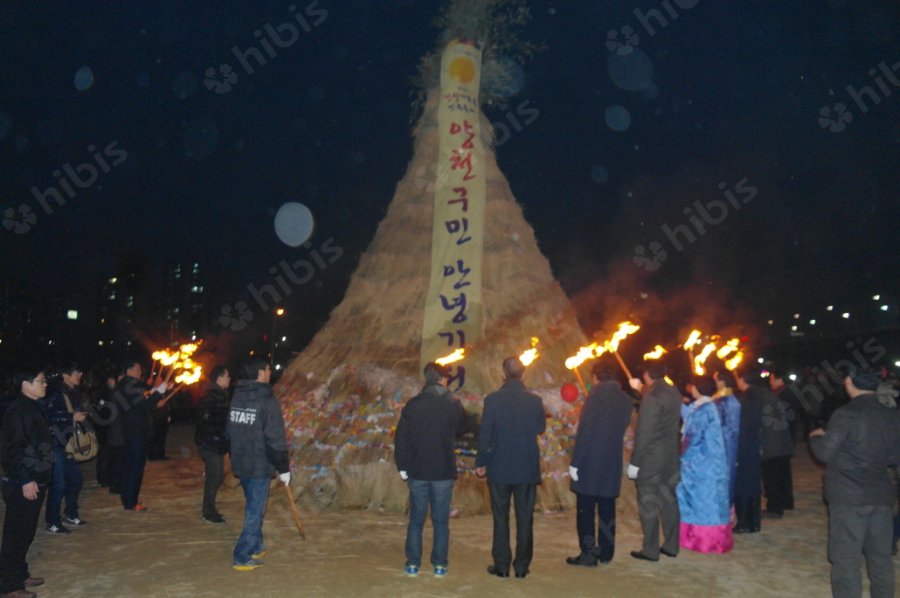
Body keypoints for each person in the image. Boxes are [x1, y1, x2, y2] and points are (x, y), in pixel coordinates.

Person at [810, 367, 900, 598]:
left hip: (848, 497)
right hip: (880, 495)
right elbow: (894, 456)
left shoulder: (846, 413)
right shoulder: (891, 414)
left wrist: (817, 437)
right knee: (880, 559)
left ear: (849, 382)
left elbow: (825, 454)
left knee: (846, 559)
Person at [476, 357, 546, 579]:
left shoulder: (493, 400)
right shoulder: (535, 400)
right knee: (525, 517)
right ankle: (522, 566)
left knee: (500, 516)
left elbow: (485, 433)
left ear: (503, 374)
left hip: (499, 466)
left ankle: (502, 565)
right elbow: (540, 427)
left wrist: (481, 463)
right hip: (526, 467)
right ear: (523, 374)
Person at [394, 363, 466, 578]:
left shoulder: (413, 405)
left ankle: (413, 564)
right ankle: (440, 565)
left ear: (426, 379)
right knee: (441, 521)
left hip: (417, 470)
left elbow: (401, 438)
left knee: (416, 520)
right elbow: (462, 428)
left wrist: (402, 466)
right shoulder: (452, 404)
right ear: (443, 380)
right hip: (443, 471)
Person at [566, 363, 633, 566]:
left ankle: (588, 553)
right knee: (607, 507)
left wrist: (575, 463)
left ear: (596, 377)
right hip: (611, 459)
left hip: (590, 461)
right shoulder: (625, 399)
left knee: (585, 509)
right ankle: (605, 552)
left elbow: (585, 432)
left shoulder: (595, 398)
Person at [226, 359, 290, 571]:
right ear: (261, 373)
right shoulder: (267, 400)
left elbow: (230, 429)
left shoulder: (237, 395)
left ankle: (255, 545)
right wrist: (284, 466)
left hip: (242, 461)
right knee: (255, 510)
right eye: (269, 370)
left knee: (254, 505)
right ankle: (242, 555)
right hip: (259, 463)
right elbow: (275, 437)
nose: (270, 372)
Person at [0, 369, 53, 598]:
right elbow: (15, 449)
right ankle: (9, 586)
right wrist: (26, 478)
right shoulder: (19, 411)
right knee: (16, 533)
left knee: (26, 531)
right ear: (25, 383)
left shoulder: (31, 406)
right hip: (23, 480)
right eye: (41, 381)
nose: (45, 385)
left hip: (35, 476)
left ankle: (20, 574)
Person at [626, 362, 682, 562]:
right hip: (670, 457)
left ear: (647, 375)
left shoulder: (651, 397)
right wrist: (641, 390)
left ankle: (650, 550)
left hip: (651, 460)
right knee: (669, 501)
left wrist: (635, 463)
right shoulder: (673, 392)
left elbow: (644, 433)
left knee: (648, 503)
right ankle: (672, 545)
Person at [676, 377, 732, 554]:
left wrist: (681, 455)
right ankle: (707, 538)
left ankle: (703, 540)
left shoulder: (704, 410)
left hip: (702, 463)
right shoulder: (708, 406)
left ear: (696, 389)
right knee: (709, 499)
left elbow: (693, 437)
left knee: (701, 501)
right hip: (711, 462)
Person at [41, 363, 88, 534]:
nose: (79, 375)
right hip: (55, 443)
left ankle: (70, 513)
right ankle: (52, 521)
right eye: (76, 372)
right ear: (65, 375)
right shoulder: (55, 393)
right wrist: (71, 417)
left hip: (66, 443)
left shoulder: (72, 392)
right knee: (59, 483)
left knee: (76, 479)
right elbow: (48, 416)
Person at [117, 358, 168, 511]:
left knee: (131, 467)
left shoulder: (128, 385)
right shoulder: (128, 385)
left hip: (133, 431)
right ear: (130, 370)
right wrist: (158, 393)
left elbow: (142, 399)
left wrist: (153, 392)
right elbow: (142, 405)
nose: (140, 372)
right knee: (135, 467)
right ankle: (131, 502)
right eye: (138, 369)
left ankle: (129, 499)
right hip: (135, 432)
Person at [195, 366, 232, 523]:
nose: (229, 379)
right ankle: (208, 511)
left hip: (213, 441)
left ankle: (209, 508)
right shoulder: (212, 397)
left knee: (215, 476)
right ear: (219, 378)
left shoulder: (219, 395)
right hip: (210, 442)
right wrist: (218, 433)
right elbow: (206, 420)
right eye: (227, 376)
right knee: (215, 476)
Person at [760, 373, 794, 519]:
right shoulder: (778, 395)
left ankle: (775, 507)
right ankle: (785, 501)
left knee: (773, 476)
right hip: (782, 441)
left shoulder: (780, 395)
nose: (771, 381)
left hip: (773, 442)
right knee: (782, 474)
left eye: (773, 378)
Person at [712, 370, 741, 507]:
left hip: (726, 445)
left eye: (716, 380)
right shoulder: (720, 398)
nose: (715, 383)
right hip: (719, 444)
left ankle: (727, 509)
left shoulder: (729, 400)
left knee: (726, 477)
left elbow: (732, 428)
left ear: (722, 381)